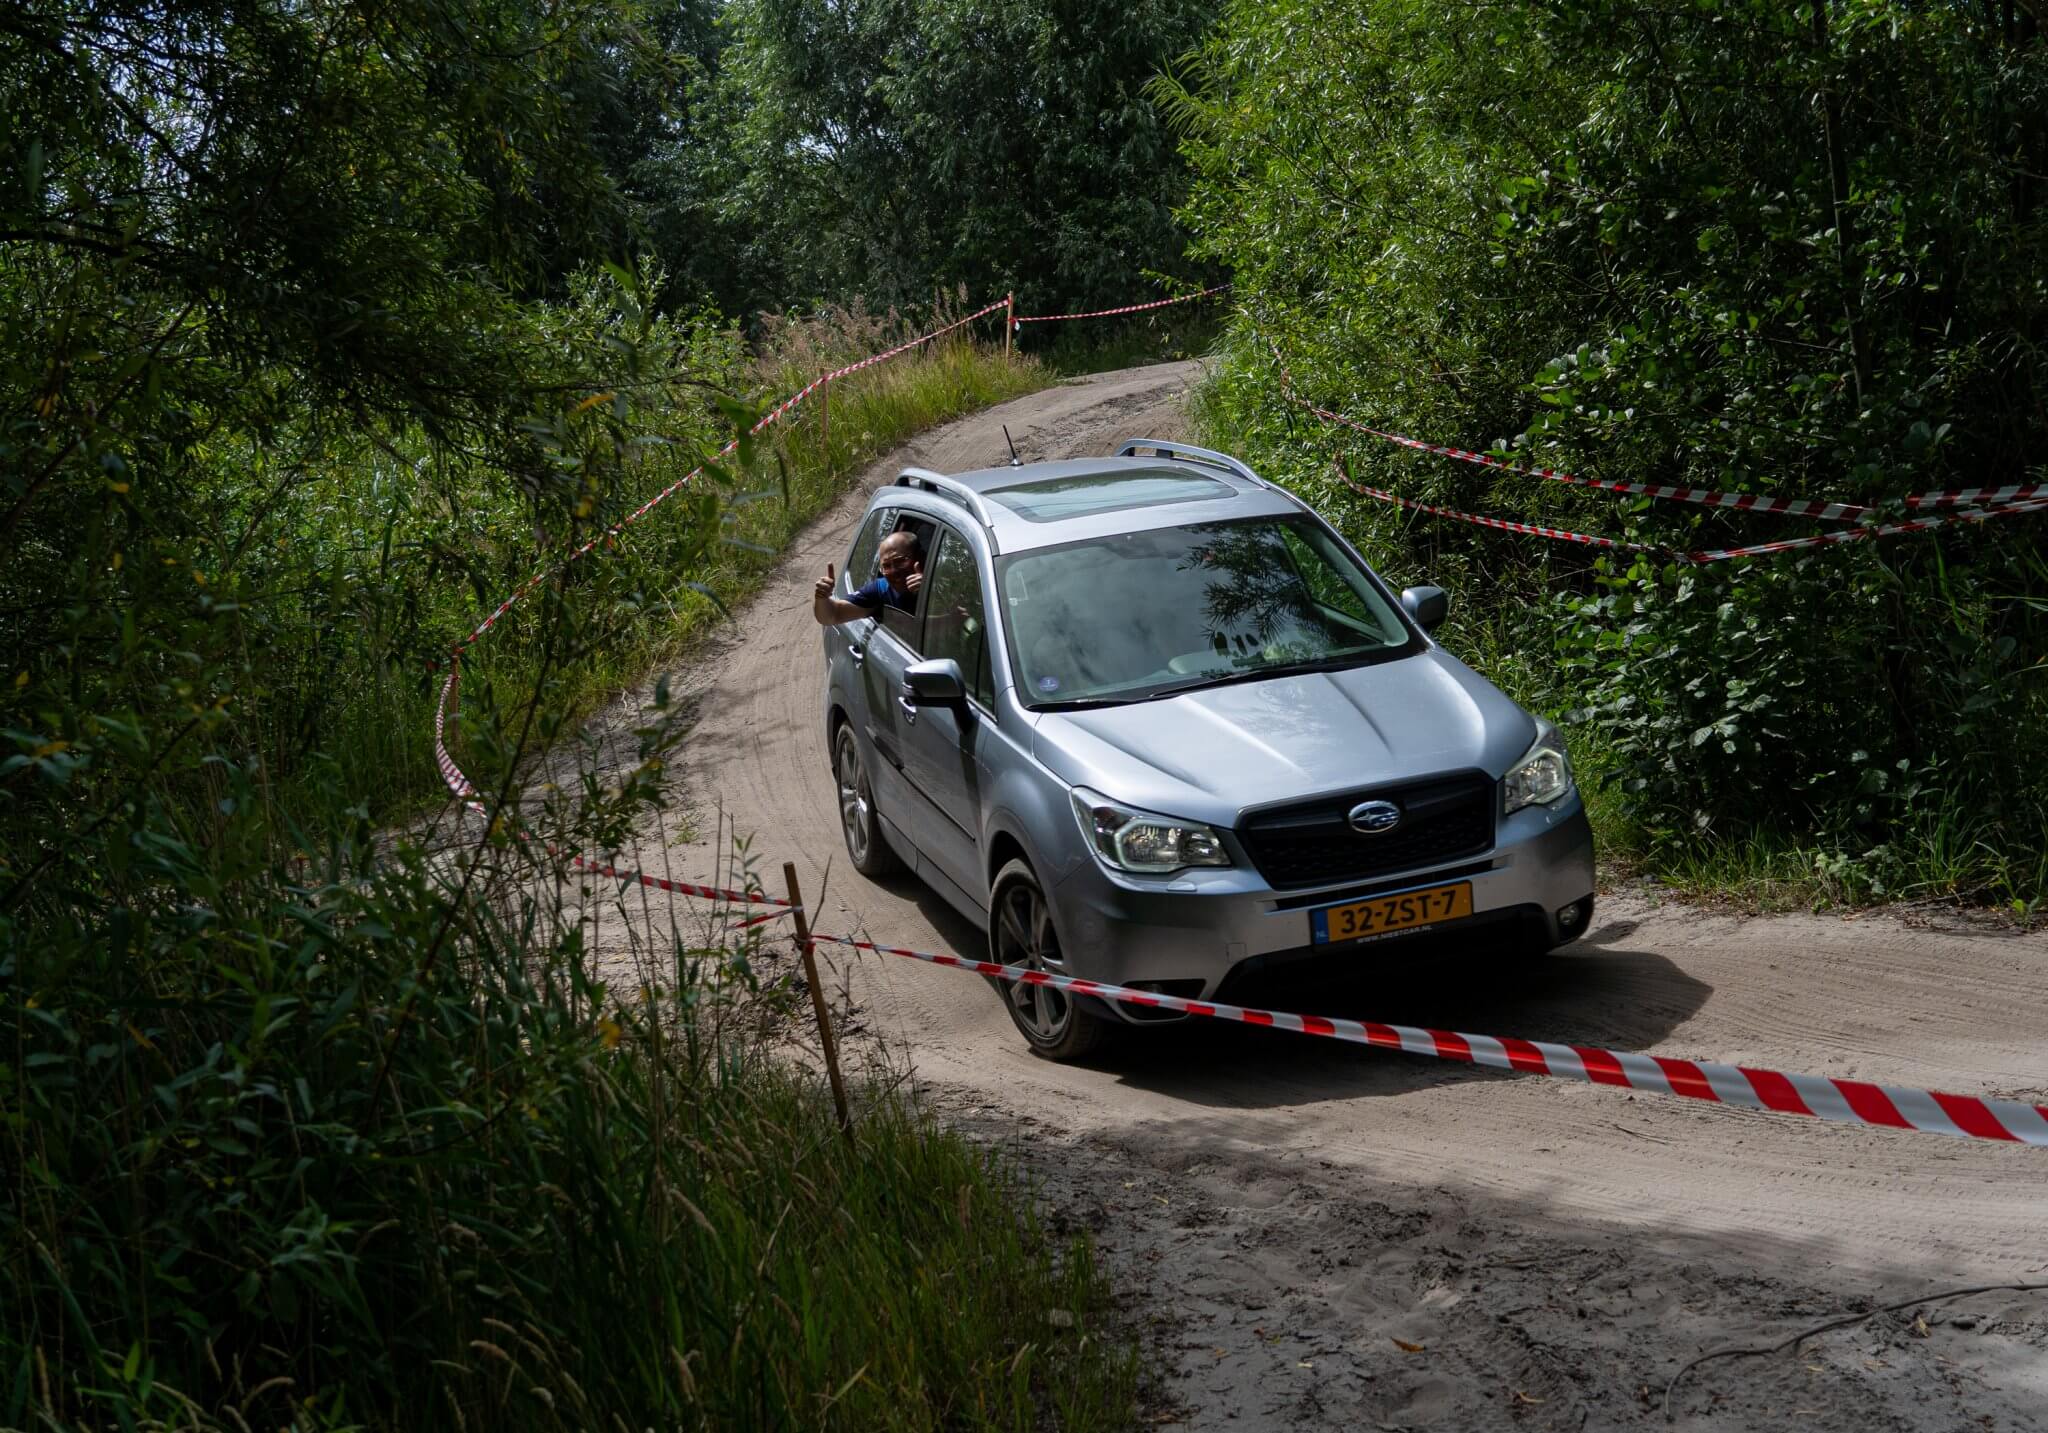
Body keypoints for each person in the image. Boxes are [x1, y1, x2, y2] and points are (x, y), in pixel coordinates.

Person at [813, 529, 924, 626]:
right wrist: (822, 597)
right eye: (886, 566)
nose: (894, 571)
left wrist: (930, 591)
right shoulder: (881, 589)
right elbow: (832, 616)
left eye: (900, 561)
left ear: (919, 558)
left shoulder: (939, 583)